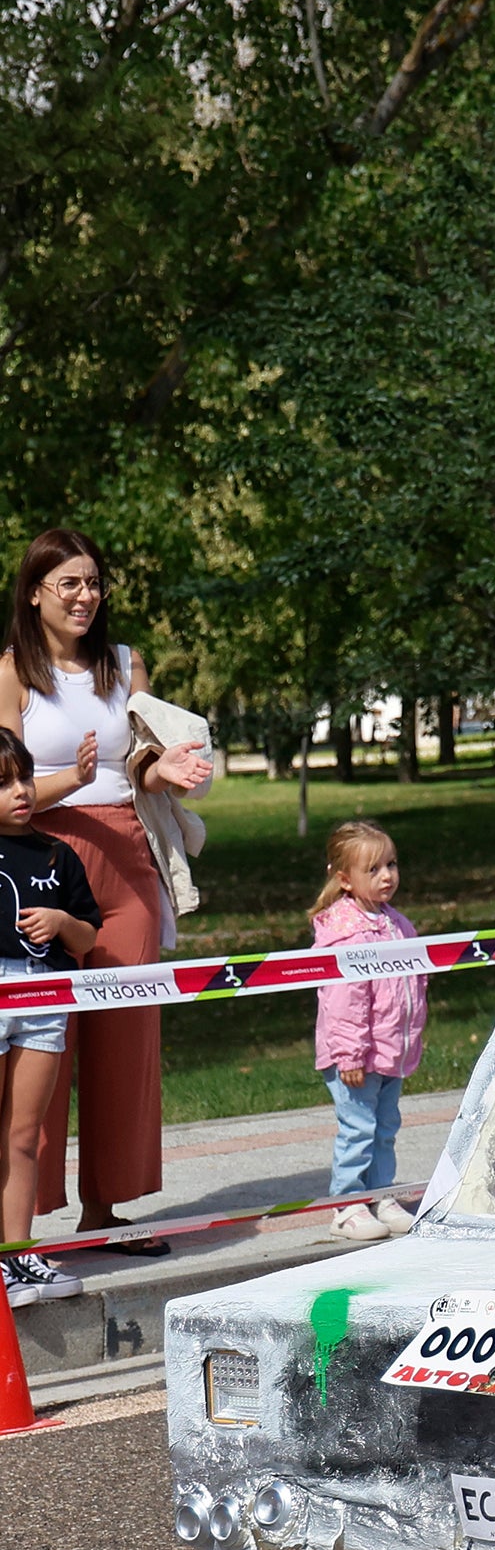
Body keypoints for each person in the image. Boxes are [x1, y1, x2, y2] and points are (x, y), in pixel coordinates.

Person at [0, 530, 211, 1249]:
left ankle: (107, 1209)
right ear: (34, 592)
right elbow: (5, 782)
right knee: (42, 1043)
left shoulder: (125, 664)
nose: (87, 595)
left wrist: (167, 770)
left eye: (95, 582)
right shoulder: (12, 672)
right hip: (42, 860)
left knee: (126, 1039)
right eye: (70, 583)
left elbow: (143, 761)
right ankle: (20, 1226)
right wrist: (73, 778)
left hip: (126, 860)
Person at [0, 729, 99, 1307]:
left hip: (44, 997)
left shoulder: (59, 854)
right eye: (3, 782)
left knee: (21, 1133)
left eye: (24, 778)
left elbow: (87, 936)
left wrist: (61, 923)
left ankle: (19, 1255)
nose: (20, 791)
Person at [312, 820, 425, 1242]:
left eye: (391, 865)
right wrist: (349, 1055)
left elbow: (412, 988)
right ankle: (345, 1204)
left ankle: (381, 1195)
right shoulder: (347, 932)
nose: (387, 876)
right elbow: (344, 1002)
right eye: (373, 869)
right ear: (344, 879)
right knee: (357, 1128)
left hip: (390, 1051)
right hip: (356, 1056)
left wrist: (410, 1038)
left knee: (385, 1127)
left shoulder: (396, 923)